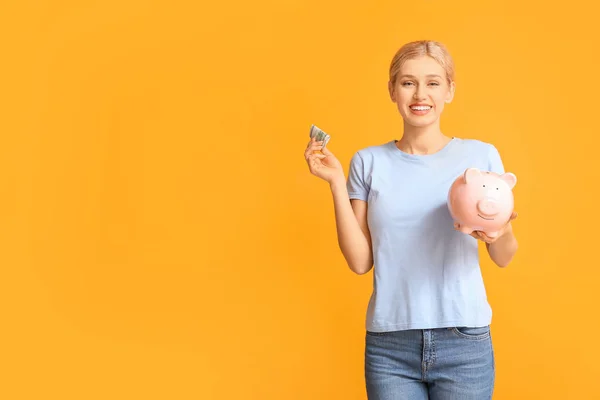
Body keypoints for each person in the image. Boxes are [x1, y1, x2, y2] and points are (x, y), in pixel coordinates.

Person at [303, 40, 518, 399]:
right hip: (390, 346)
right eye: (408, 82)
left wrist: (498, 230)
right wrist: (336, 183)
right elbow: (359, 262)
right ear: (392, 90)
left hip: (463, 341)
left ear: (449, 89)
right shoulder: (368, 162)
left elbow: (504, 256)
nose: (421, 94)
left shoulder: (481, 156)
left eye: (433, 82)